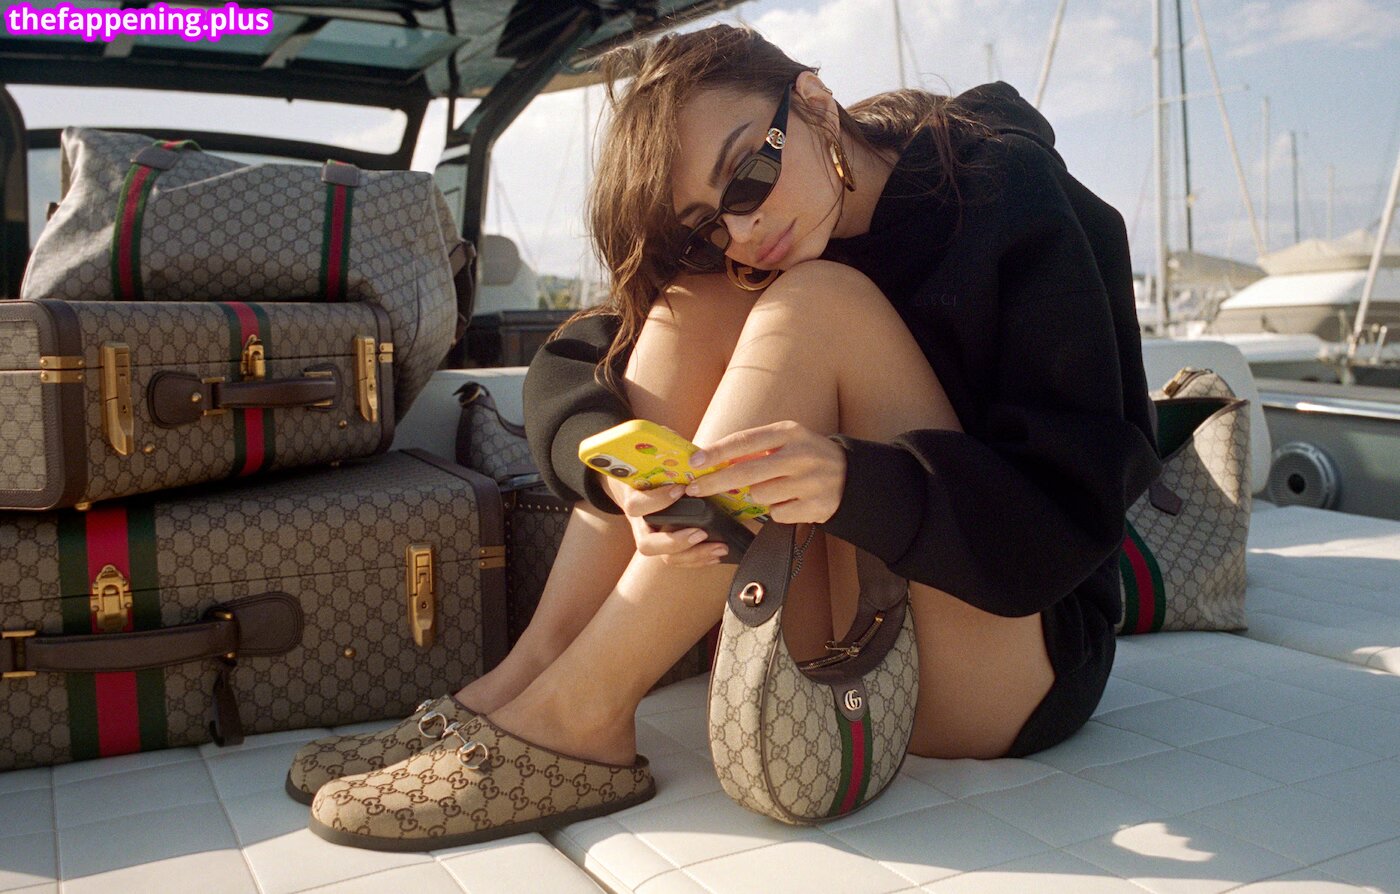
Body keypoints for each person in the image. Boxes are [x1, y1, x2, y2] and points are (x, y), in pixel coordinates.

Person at [291, 23, 1161, 851]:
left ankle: (579, 714)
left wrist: (857, 482)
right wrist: (617, 473)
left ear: (812, 101)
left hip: (1010, 659)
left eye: (745, 178)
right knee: (694, 297)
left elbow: (1073, 505)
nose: (741, 230)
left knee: (819, 302)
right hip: (844, 632)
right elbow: (581, 360)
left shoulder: (1009, 192)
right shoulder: (750, 249)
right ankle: (528, 677)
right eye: (709, 220)